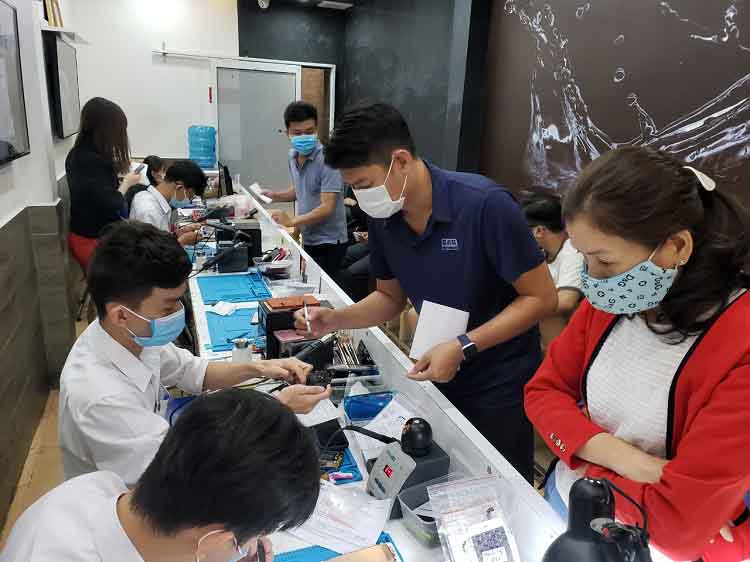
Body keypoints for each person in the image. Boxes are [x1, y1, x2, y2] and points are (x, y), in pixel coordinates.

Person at [296, 102, 558, 483]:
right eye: (352, 186)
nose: (360, 196)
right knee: (440, 475)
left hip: (497, 379)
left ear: (401, 161)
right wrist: (335, 318)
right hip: (435, 366)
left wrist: (464, 345)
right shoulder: (385, 216)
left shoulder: (485, 205)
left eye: (364, 185)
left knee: (498, 485)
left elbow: (542, 298)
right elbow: (390, 298)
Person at [525, 147, 750, 561]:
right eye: (583, 259)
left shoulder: (740, 339)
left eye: (605, 262)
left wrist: (581, 460)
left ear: (676, 247)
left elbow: (678, 523)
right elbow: (542, 393)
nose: (592, 280)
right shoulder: (612, 299)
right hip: (571, 511)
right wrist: (634, 463)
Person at [59, 221, 332, 486]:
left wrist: (263, 368)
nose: (178, 312)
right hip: (144, 491)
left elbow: (194, 372)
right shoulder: (103, 397)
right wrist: (276, 409)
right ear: (120, 315)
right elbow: (176, 472)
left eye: (179, 301)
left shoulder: (130, 332)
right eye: (168, 307)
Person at [1, 388, 320, 562]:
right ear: (214, 541)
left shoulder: (96, 487)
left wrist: (232, 541)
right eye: (244, 543)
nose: (252, 547)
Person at [262, 101, 348, 277]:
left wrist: (292, 221)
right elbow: (301, 191)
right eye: (297, 133)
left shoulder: (328, 160)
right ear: (287, 133)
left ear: (316, 129)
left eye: (309, 132)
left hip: (330, 242)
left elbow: (327, 207)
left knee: (322, 287)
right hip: (308, 237)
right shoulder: (292, 156)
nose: (304, 137)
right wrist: (275, 195)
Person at [66, 97, 141, 271]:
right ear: (106, 130)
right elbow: (112, 202)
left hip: (90, 235)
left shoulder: (79, 154)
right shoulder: (90, 160)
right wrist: (127, 183)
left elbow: (95, 192)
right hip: (92, 240)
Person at [521, 191, 584, 350]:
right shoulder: (543, 255)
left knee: (548, 315)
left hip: (576, 339)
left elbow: (566, 301)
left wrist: (518, 312)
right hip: (549, 342)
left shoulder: (573, 249)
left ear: (539, 231)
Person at [129, 160, 206, 246]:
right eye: (189, 196)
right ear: (179, 187)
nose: (188, 202)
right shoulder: (150, 211)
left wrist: (177, 234)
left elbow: (159, 240)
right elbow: (151, 252)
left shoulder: (147, 197)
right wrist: (182, 242)